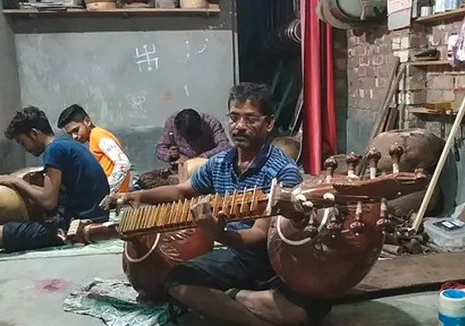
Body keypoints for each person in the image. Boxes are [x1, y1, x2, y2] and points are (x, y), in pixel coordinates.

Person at [103, 83, 331, 326]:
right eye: (234, 117)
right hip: (236, 257)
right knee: (177, 282)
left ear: (269, 123)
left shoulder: (283, 173)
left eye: (250, 119)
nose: (240, 126)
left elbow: (258, 235)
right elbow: (183, 190)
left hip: (274, 261)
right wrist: (138, 196)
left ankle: (233, 296)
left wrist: (218, 233)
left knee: (304, 313)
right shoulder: (220, 163)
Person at [0, 106, 110, 252]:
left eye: (22, 142)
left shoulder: (53, 150)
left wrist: (16, 181)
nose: (25, 149)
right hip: (98, 215)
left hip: (81, 223)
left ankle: (64, 236)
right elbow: (53, 193)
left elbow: (48, 201)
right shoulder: (65, 143)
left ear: (33, 133)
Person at [57, 104, 132, 193]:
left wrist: (107, 191)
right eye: (70, 134)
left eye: (76, 130)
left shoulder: (97, 135)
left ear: (87, 121)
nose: (74, 136)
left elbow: (123, 163)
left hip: (113, 196)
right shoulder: (93, 138)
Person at [155, 108, 231, 163]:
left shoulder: (211, 123)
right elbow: (159, 149)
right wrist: (171, 154)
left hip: (208, 165)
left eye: (194, 137)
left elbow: (225, 147)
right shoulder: (171, 123)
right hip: (182, 167)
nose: (191, 142)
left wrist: (203, 157)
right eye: (187, 138)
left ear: (201, 125)